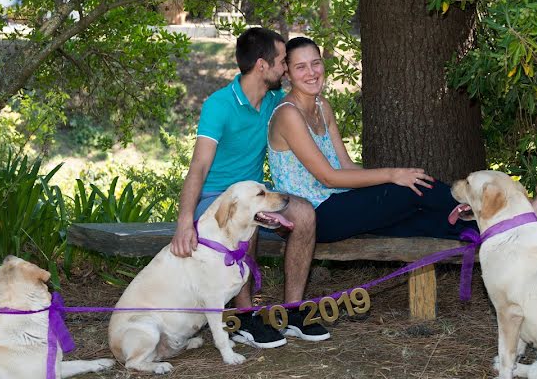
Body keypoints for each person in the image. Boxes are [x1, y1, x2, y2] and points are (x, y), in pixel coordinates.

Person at [170, 27, 330, 349]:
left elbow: (307, 109)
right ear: (262, 65)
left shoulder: (274, 104)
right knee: (249, 214)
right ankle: (245, 318)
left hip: (256, 194)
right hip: (216, 202)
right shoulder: (219, 105)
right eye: (283, 61)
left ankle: (293, 313)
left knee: (304, 213)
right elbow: (198, 167)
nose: (286, 68)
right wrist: (184, 221)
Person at [267, 36, 471, 244]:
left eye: (316, 63)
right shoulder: (288, 114)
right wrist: (392, 175)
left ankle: (485, 231)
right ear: (288, 74)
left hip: (338, 202)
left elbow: (345, 165)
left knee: (419, 219)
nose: (311, 72)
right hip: (315, 215)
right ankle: (479, 207)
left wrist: (393, 178)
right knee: (409, 189)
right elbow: (328, 178)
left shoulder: (322, 106)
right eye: (300, 67)